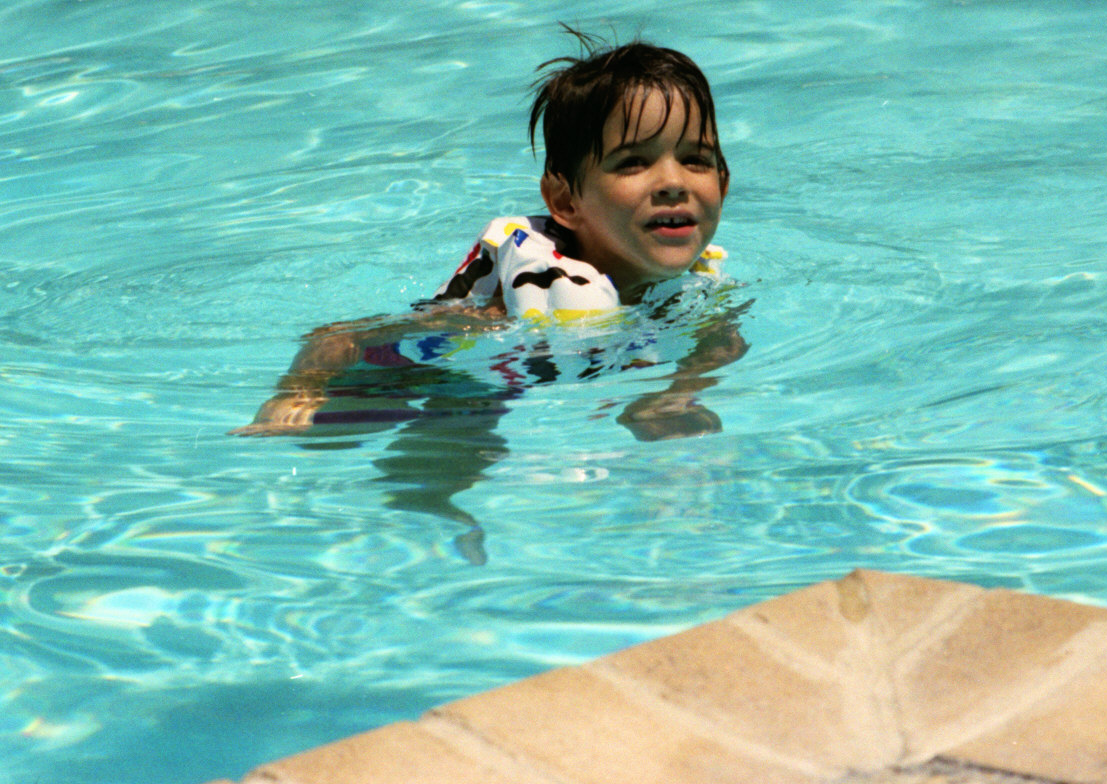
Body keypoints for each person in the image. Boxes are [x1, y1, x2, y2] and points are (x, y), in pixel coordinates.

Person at [233, 31, 747, 559]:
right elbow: (340, 338)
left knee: (459, 434)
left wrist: (678, 393)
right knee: (357, 430)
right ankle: (398, 511)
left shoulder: (698, 279)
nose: (672, 182)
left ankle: (426, 509)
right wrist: (299, 393)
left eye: (696, 159)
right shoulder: (533, 285)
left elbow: (716, 341)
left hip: (510, 378)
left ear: (724, 183)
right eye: (633, 163)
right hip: (454, 357)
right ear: (566, 201)